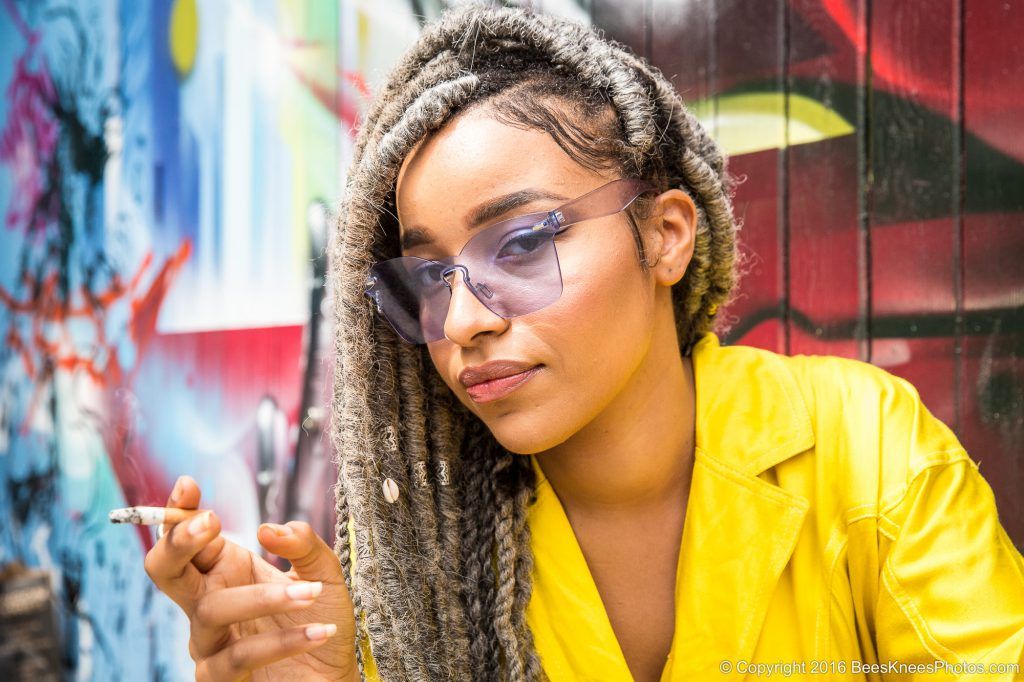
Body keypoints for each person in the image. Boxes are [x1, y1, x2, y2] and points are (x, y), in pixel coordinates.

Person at [143, 5, 1024, 681]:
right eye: (430, 279)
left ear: (667, 235)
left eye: (522, 245)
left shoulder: (861, 449)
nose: (463, 323)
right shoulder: (420, 580)